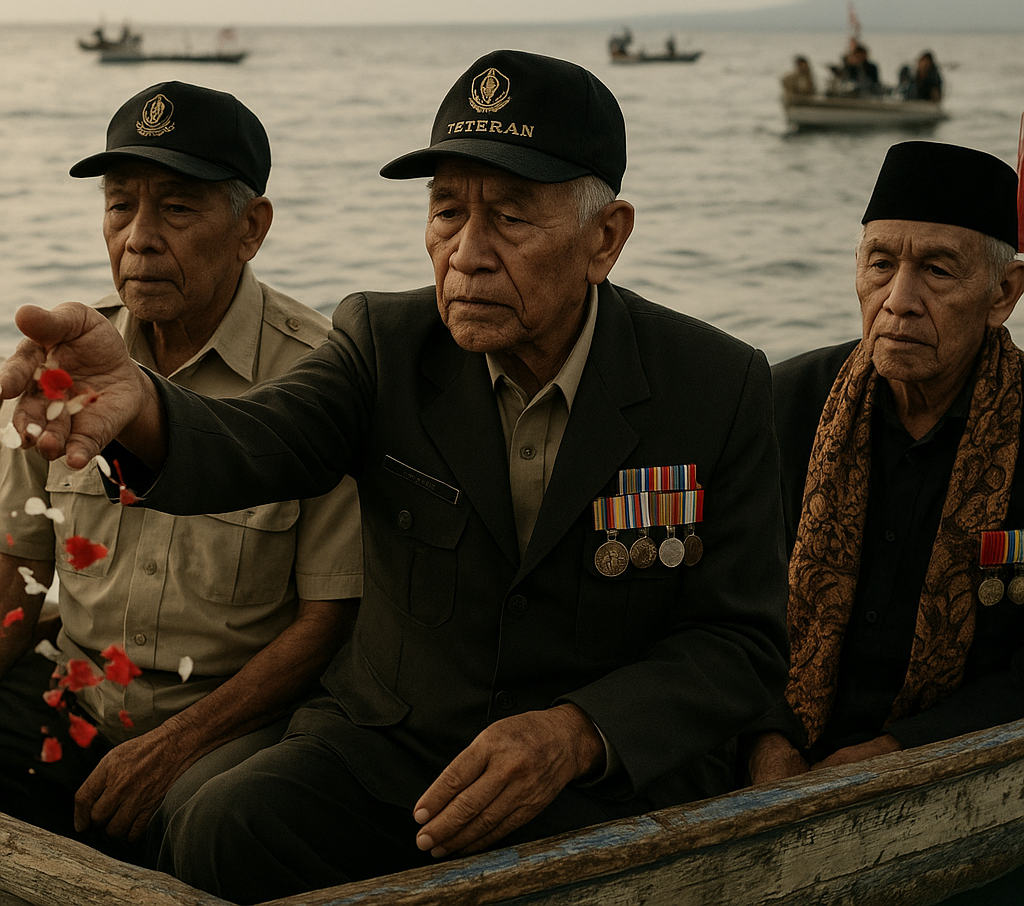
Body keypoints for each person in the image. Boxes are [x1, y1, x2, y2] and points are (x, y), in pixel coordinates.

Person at [1, 50, 789, 903]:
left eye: (511, 219)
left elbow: (739, 646)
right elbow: (260, 439)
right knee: (222, 825)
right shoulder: (383, 339)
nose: (467, 253)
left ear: (606, 238)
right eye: (447, 211)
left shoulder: (716, 384)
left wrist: (578, 732)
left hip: (597, 779)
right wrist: (143, 405)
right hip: (395, 752)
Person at [0, 81, 362, 856]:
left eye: (177, 208)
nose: (138, 237)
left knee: (210, 826)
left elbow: (328, 622)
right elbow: (18, 575)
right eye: (120, 204)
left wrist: (175, 744)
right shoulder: (65, 362)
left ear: (251, 229)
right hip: (79, 691)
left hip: (234, 715)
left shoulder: (321, 379)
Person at [747, 141, 1024, 795]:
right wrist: (767, 743)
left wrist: (903, 752)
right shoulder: (778, 404)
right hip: (768, 748)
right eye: (880, 264)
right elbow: (721, 614)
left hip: (959, 764)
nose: (898, 299)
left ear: (1003, 293)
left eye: (937, 271)